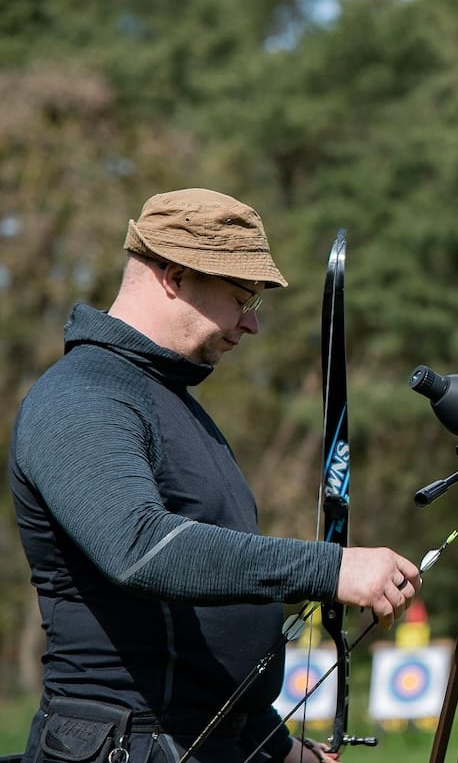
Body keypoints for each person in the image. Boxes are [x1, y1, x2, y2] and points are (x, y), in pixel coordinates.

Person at [8, 188, 422, 763]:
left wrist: (273, 747)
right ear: (174, 276)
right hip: (125, 746)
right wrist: (330, 568)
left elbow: (201, 645)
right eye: (240, 298)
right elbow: (139, 549)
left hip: (197, 743)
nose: (250, 324)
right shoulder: (82, 397)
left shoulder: (168, 400)